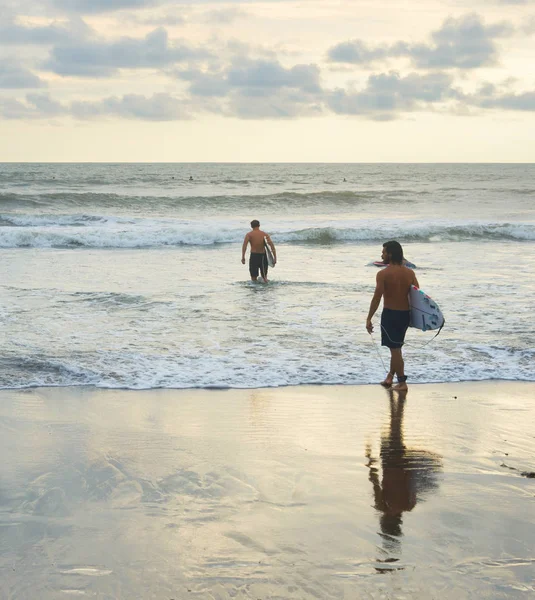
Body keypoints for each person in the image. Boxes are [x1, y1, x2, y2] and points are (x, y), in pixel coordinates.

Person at [366, 241, 419, 391]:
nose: (381, 255)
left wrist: (369, 318)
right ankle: (390, 376)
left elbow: (377, 297)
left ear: (390, 254)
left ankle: (402, 382)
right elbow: (417, 296)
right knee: (396, 348)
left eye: (383, 252)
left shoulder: (383, 274)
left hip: (390, 315)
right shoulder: (410, 273)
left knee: (395, 349)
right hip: (405, 316)